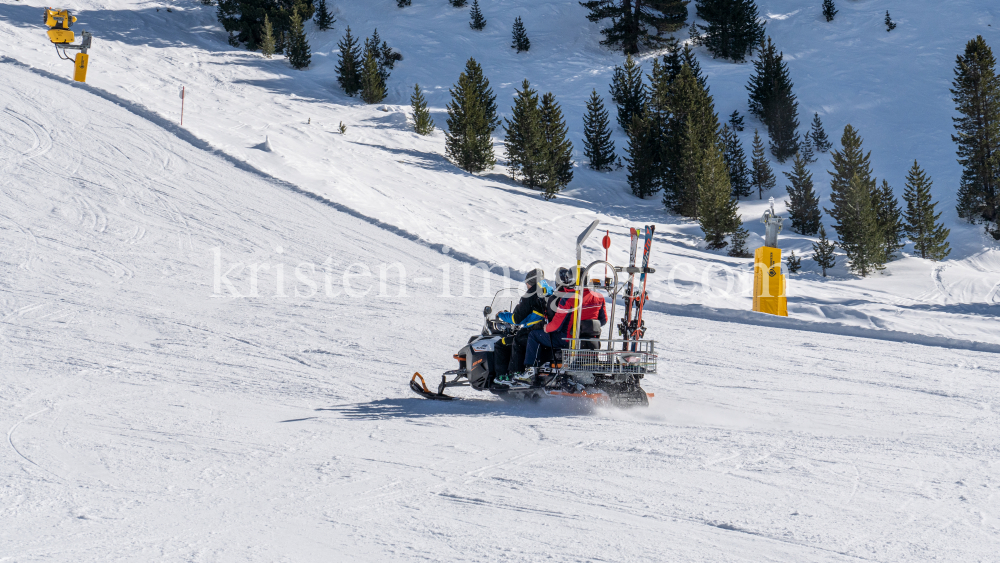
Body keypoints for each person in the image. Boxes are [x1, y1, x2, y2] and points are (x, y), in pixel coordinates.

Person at [517, 267, 607, 383]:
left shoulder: (568, 299)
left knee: (534, 335)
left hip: (567, 339)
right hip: (589, 340)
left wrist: (546, 328)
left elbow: (556, 325)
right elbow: (603, 321)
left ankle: (530, 370)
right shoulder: (599, 297)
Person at [494, 269, 552, 384]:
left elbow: (516, 319)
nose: (526, 287)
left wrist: (501, 315)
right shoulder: (550, 291)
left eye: (527, 284)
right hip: (546, 331)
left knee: (504, 343)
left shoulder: (531, 293)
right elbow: (535, 313)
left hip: (531, 331)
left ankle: (509, 376)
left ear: (530, 282)